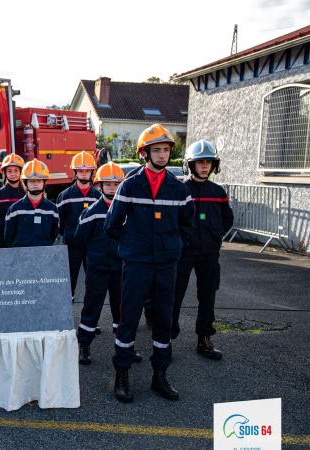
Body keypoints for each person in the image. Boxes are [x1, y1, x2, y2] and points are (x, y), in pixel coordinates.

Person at [104, 124, 194, 403]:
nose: (163, 155)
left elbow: (187, 225)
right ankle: (122, 375)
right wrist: (133, 246)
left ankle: (160, 376)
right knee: (129, 319)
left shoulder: (178, 189)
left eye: (166, 150)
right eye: (157, 150)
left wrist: (173, 246)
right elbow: (112, 225)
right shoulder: (130, 185)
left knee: (164, 320)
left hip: (166, 264)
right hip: (137, 263)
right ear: (145, 153)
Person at [74, 162, 141, 365]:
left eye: (116, 184)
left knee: (122, 309)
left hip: (121, 267)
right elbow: (79, 238)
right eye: (108, 184)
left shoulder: (128, 210)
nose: (112, 188)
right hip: (98, 268)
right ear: (99, 186)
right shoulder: (92, 211)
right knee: (91, 307)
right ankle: (84, 345)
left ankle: (125, 346)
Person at [172, 140, 233, 360]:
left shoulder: (218, 192)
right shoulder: (179, 188)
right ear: (190, 164)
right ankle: (166, 338)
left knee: (207, 297)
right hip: (183, 253)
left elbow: (227, 219)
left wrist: (214, 236)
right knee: (174, 294)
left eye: (208, 162)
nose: (205, 166)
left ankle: (204, 339)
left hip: (209, 254)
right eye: (200, 162)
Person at [57, 152, 101, 303]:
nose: (83, 174)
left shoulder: (98, 196)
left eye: (87, 170)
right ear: (75, 172)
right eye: (80, 170)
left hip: (92, 246)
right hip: (72, 245)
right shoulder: (65, 195)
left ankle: (89, 320)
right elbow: (60, 222)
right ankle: (66, 317)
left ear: (92, 172)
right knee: (69, 281)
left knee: (93, 281)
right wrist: (70, 235)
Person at [4, 159, 59, 248]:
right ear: (26, 183)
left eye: (38, 181)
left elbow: (53, 235)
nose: (35, 184)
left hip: (45, 256)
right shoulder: (14, 209)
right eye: (31, 181)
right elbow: (8, 238)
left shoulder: (52, 209)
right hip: (20, 256)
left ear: (44, 182)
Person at [0, 154, 25, 248]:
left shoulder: (26, 194)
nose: (13, 174)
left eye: (16, 170)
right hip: (2, 242)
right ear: (4, 173)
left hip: (23, 241)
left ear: (21, 172)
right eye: (9, 171)